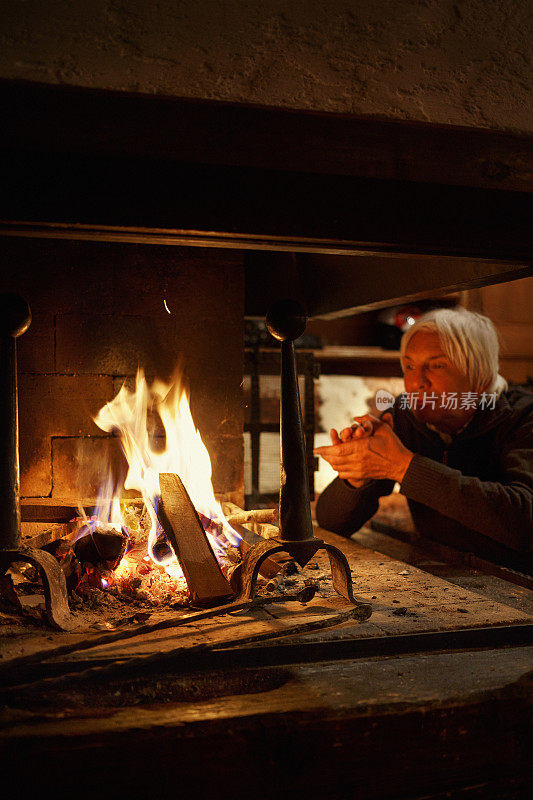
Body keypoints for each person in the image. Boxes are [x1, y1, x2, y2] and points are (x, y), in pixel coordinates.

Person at [314, 307, 533, 572]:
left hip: (517, 583)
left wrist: (403, 466)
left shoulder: (522, 417)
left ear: (480, 374)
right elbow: (331, 523)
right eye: (409, 365)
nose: (417, 381)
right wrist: (357, 478)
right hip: (442, 570)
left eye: (437, 365)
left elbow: (525, 523)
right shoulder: (406, 415)